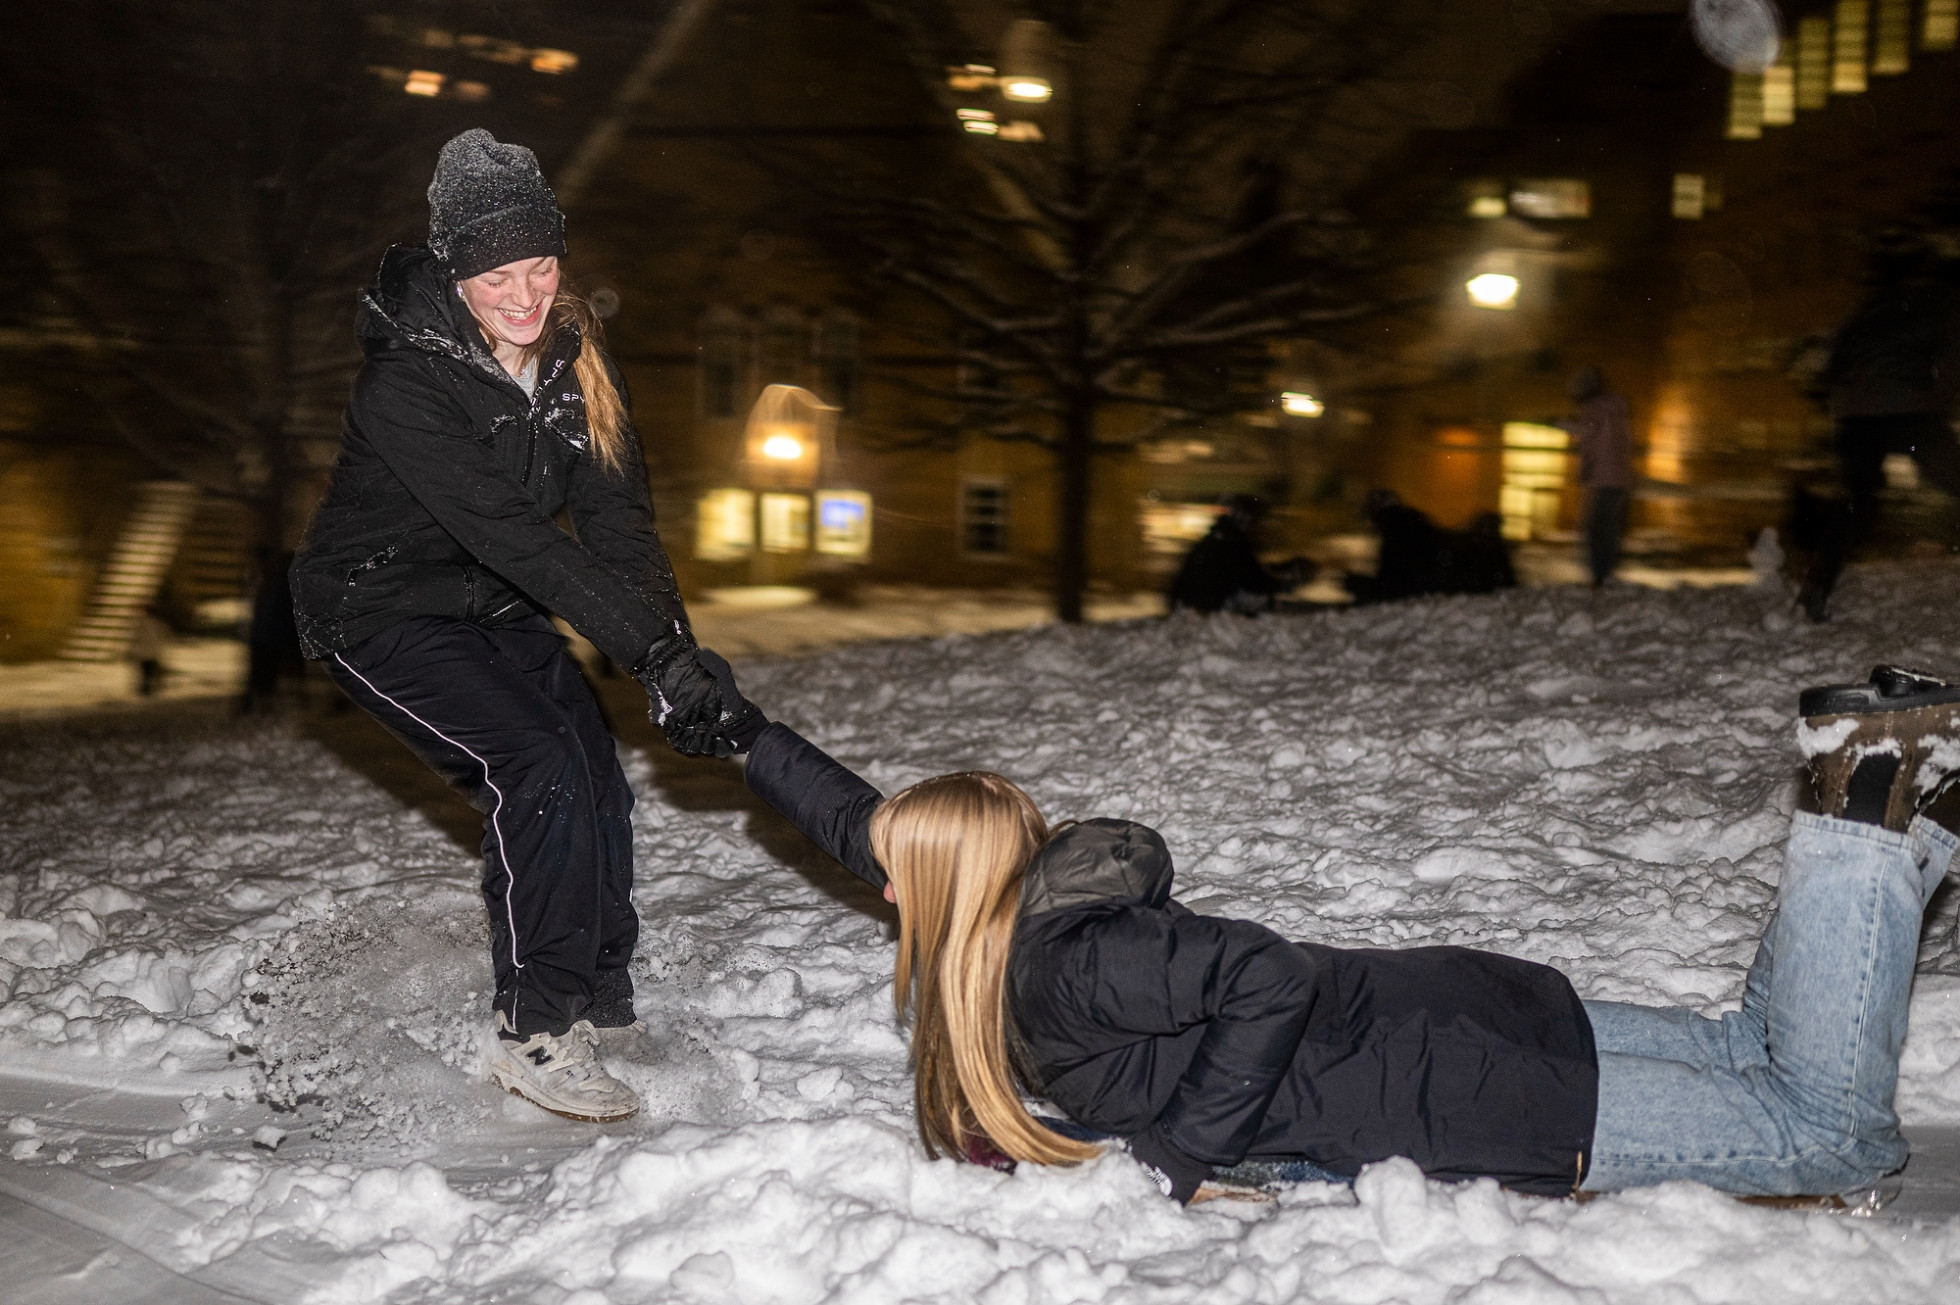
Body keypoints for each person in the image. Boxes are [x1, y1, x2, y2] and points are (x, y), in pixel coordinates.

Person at [705, 658, 1960, 1203]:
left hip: (1468, 1091)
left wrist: (1175, 1160)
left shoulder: (1060, 968)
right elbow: (866, 822)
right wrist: (739, 735)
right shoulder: (1028, 888)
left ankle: (1861, 804)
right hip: (1455, 1013)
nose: (872, 880)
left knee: (1827, 1137)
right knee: (1750, 1047)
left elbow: (1258, 975)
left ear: (932, 887)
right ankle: (1906, 801)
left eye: (887, 873)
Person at [290, 130, 749, 1123]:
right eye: (498, 272)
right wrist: (649, 650)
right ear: (457, 270)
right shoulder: (408, 381)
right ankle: (536, 1031)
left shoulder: (579, 360)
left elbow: (620, 525)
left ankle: (597, 996)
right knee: (534, 763)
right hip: (379, 606)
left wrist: (670, 652)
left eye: (540, 266)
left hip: (494, 599)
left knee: (591, 766)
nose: (524, 293)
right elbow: (511, 536)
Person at [1798, 269, 1960, 621]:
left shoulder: (1872, 308)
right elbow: (1951, 362)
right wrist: (1939, 404)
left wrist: (1843, 402)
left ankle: (1820, 582)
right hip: (1907, 407)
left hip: (1855, 411)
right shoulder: (1946, 304)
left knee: (1856, 497)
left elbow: (1834, 352)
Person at [1166, 495, 1308, 615]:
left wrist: (1282, 569)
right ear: (1248, 522)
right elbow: (1254, 581)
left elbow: (1247, 571)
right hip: (1203, 606)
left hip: (1187, 602)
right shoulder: (1235, 544)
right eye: (1258, 523)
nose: (1261, 529)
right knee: (1262, 603)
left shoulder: (1219, 538)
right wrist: (1288, 585)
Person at [1562, 367, 1633, 587]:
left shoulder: (1596, 408)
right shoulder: (1616, 408)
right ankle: (1604, 572)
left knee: (1595, 528)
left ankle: (1600, 575)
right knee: (1607, 528)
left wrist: (1560, 424)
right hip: (1618, 477)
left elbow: (1588, 430)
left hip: (1603, 477)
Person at [1344, 489, 1441, 604]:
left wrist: (1360, 584)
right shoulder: (1411, 521)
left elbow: (1395, 576)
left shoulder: (1397, 532)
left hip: (1416, 588)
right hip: (1423, 583)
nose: (1373, 527)